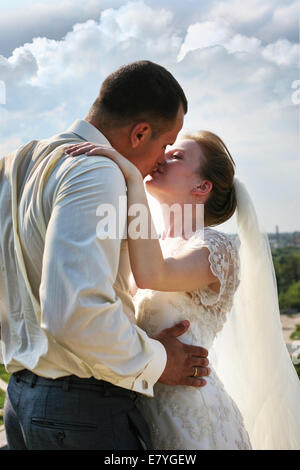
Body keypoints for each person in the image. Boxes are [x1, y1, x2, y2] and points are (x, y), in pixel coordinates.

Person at [0, 61, 210, 451]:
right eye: (165, 145)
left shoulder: (18, 164)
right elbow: (75, 312)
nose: (162, 159)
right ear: (140, 133)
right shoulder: (97, 171)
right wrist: (160, 360)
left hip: (21, 402)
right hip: (80, 414)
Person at [66, 129, 300, 450]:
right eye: (166, 151)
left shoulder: (216, 248)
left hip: (194, 424)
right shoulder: (153, 244)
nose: (162, 158)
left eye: (177, 156)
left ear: (202, 187)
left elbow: (153, 276)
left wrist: (133, 178)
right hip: (141, 415)